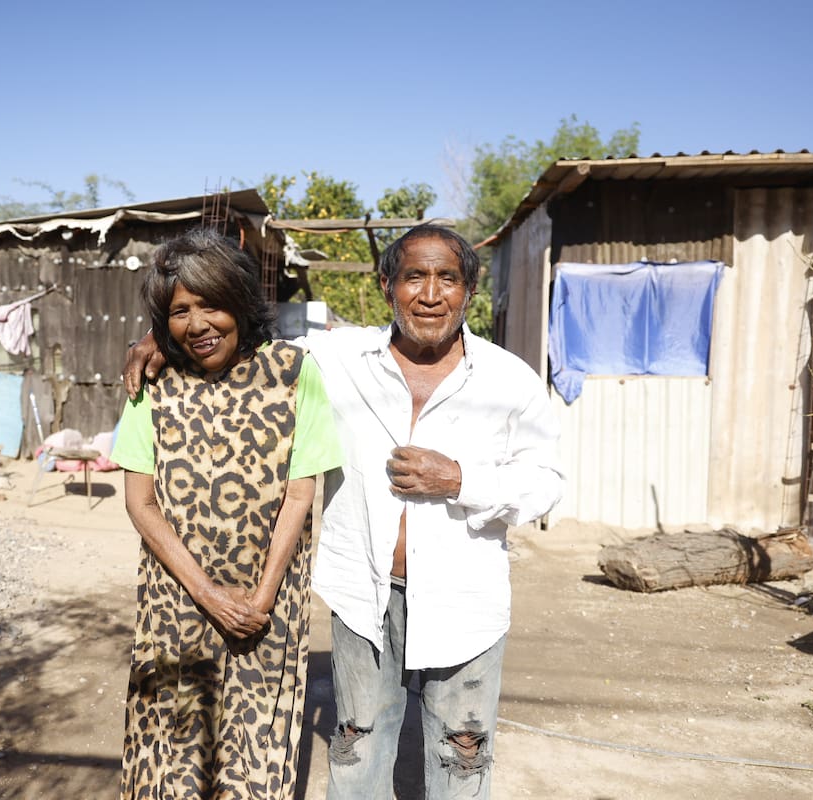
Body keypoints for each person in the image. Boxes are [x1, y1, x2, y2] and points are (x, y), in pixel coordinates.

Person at [126, 224, 563, 799]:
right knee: (357, 745)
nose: (430, 294)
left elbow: (546, 484)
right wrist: (161, 337)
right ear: (387, 286)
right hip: (364, 597)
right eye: (414, 277)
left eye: (447, 278)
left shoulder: (511, 381)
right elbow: (237, 336)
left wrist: (460, 479)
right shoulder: (336, 358)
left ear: (469, 291)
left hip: (466, 604)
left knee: (463, 753)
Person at [110, 228, 341, 800]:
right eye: (180, 311)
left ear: (239, 300)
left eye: (210, 303)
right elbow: (140, 501)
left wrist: (259, 599)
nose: (198, 324)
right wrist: (209, 595)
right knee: (173, 752)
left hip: (268, 611)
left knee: (256, 753)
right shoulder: (153, 382)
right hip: (177, 607)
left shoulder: (294, 373)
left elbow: (300, 494)